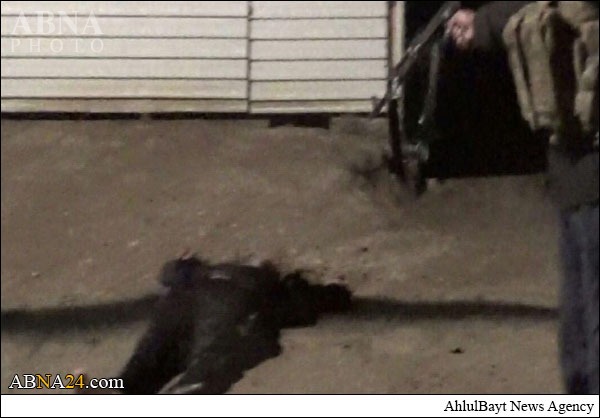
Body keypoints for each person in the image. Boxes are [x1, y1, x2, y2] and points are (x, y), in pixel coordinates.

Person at [446, 1, 599, 394]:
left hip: (586, 165)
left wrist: (483, 24)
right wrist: (484, 24)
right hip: (573, 164)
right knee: (580, 325)